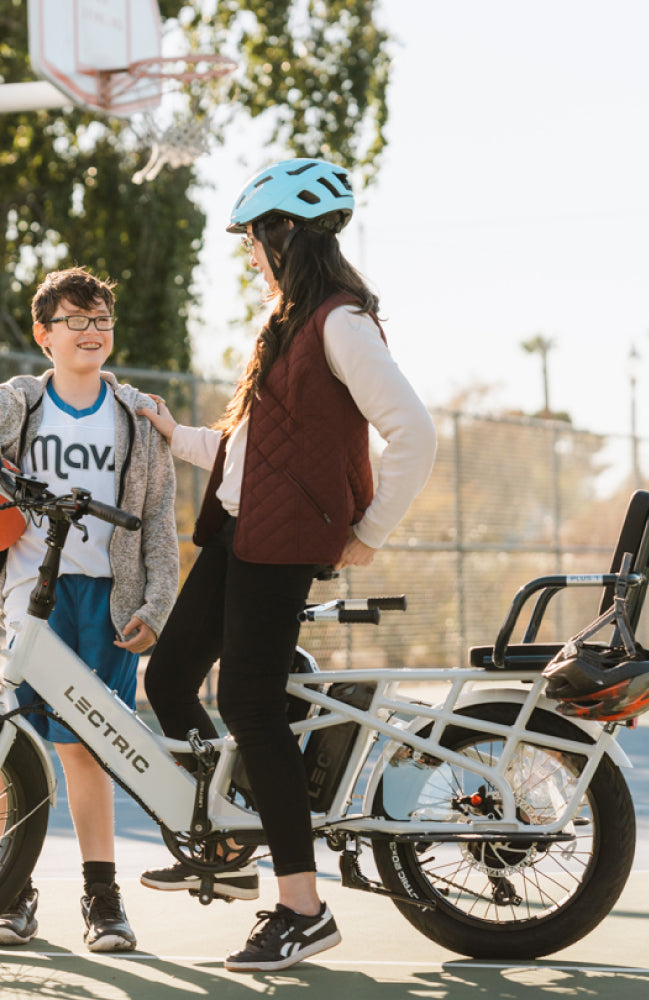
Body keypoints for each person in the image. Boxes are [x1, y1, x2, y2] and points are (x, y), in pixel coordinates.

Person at [137, 158, 438, 972]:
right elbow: (250, 460)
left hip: (284, 544)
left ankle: (301, 909)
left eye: (252, 239)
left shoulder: (340, 323)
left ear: (284, 234)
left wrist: (367, 535)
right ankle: (229, 838)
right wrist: (175, 434)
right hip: (241, 534)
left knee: (250, 705)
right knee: (167, 682)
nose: (247, 254)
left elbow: (415, 433)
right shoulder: (291, 320)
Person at [0, 265, 179, 953]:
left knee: (86, 749)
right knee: (13, 738)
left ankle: (102, 897)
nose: (92, 332)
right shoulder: (19, 401)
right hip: (32, 594)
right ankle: (10, 891)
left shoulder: (136, 413)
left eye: (102, 320)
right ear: (43, 334)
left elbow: (161, 517)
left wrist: (159, 601)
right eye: (76, 321)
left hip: (107, 601)